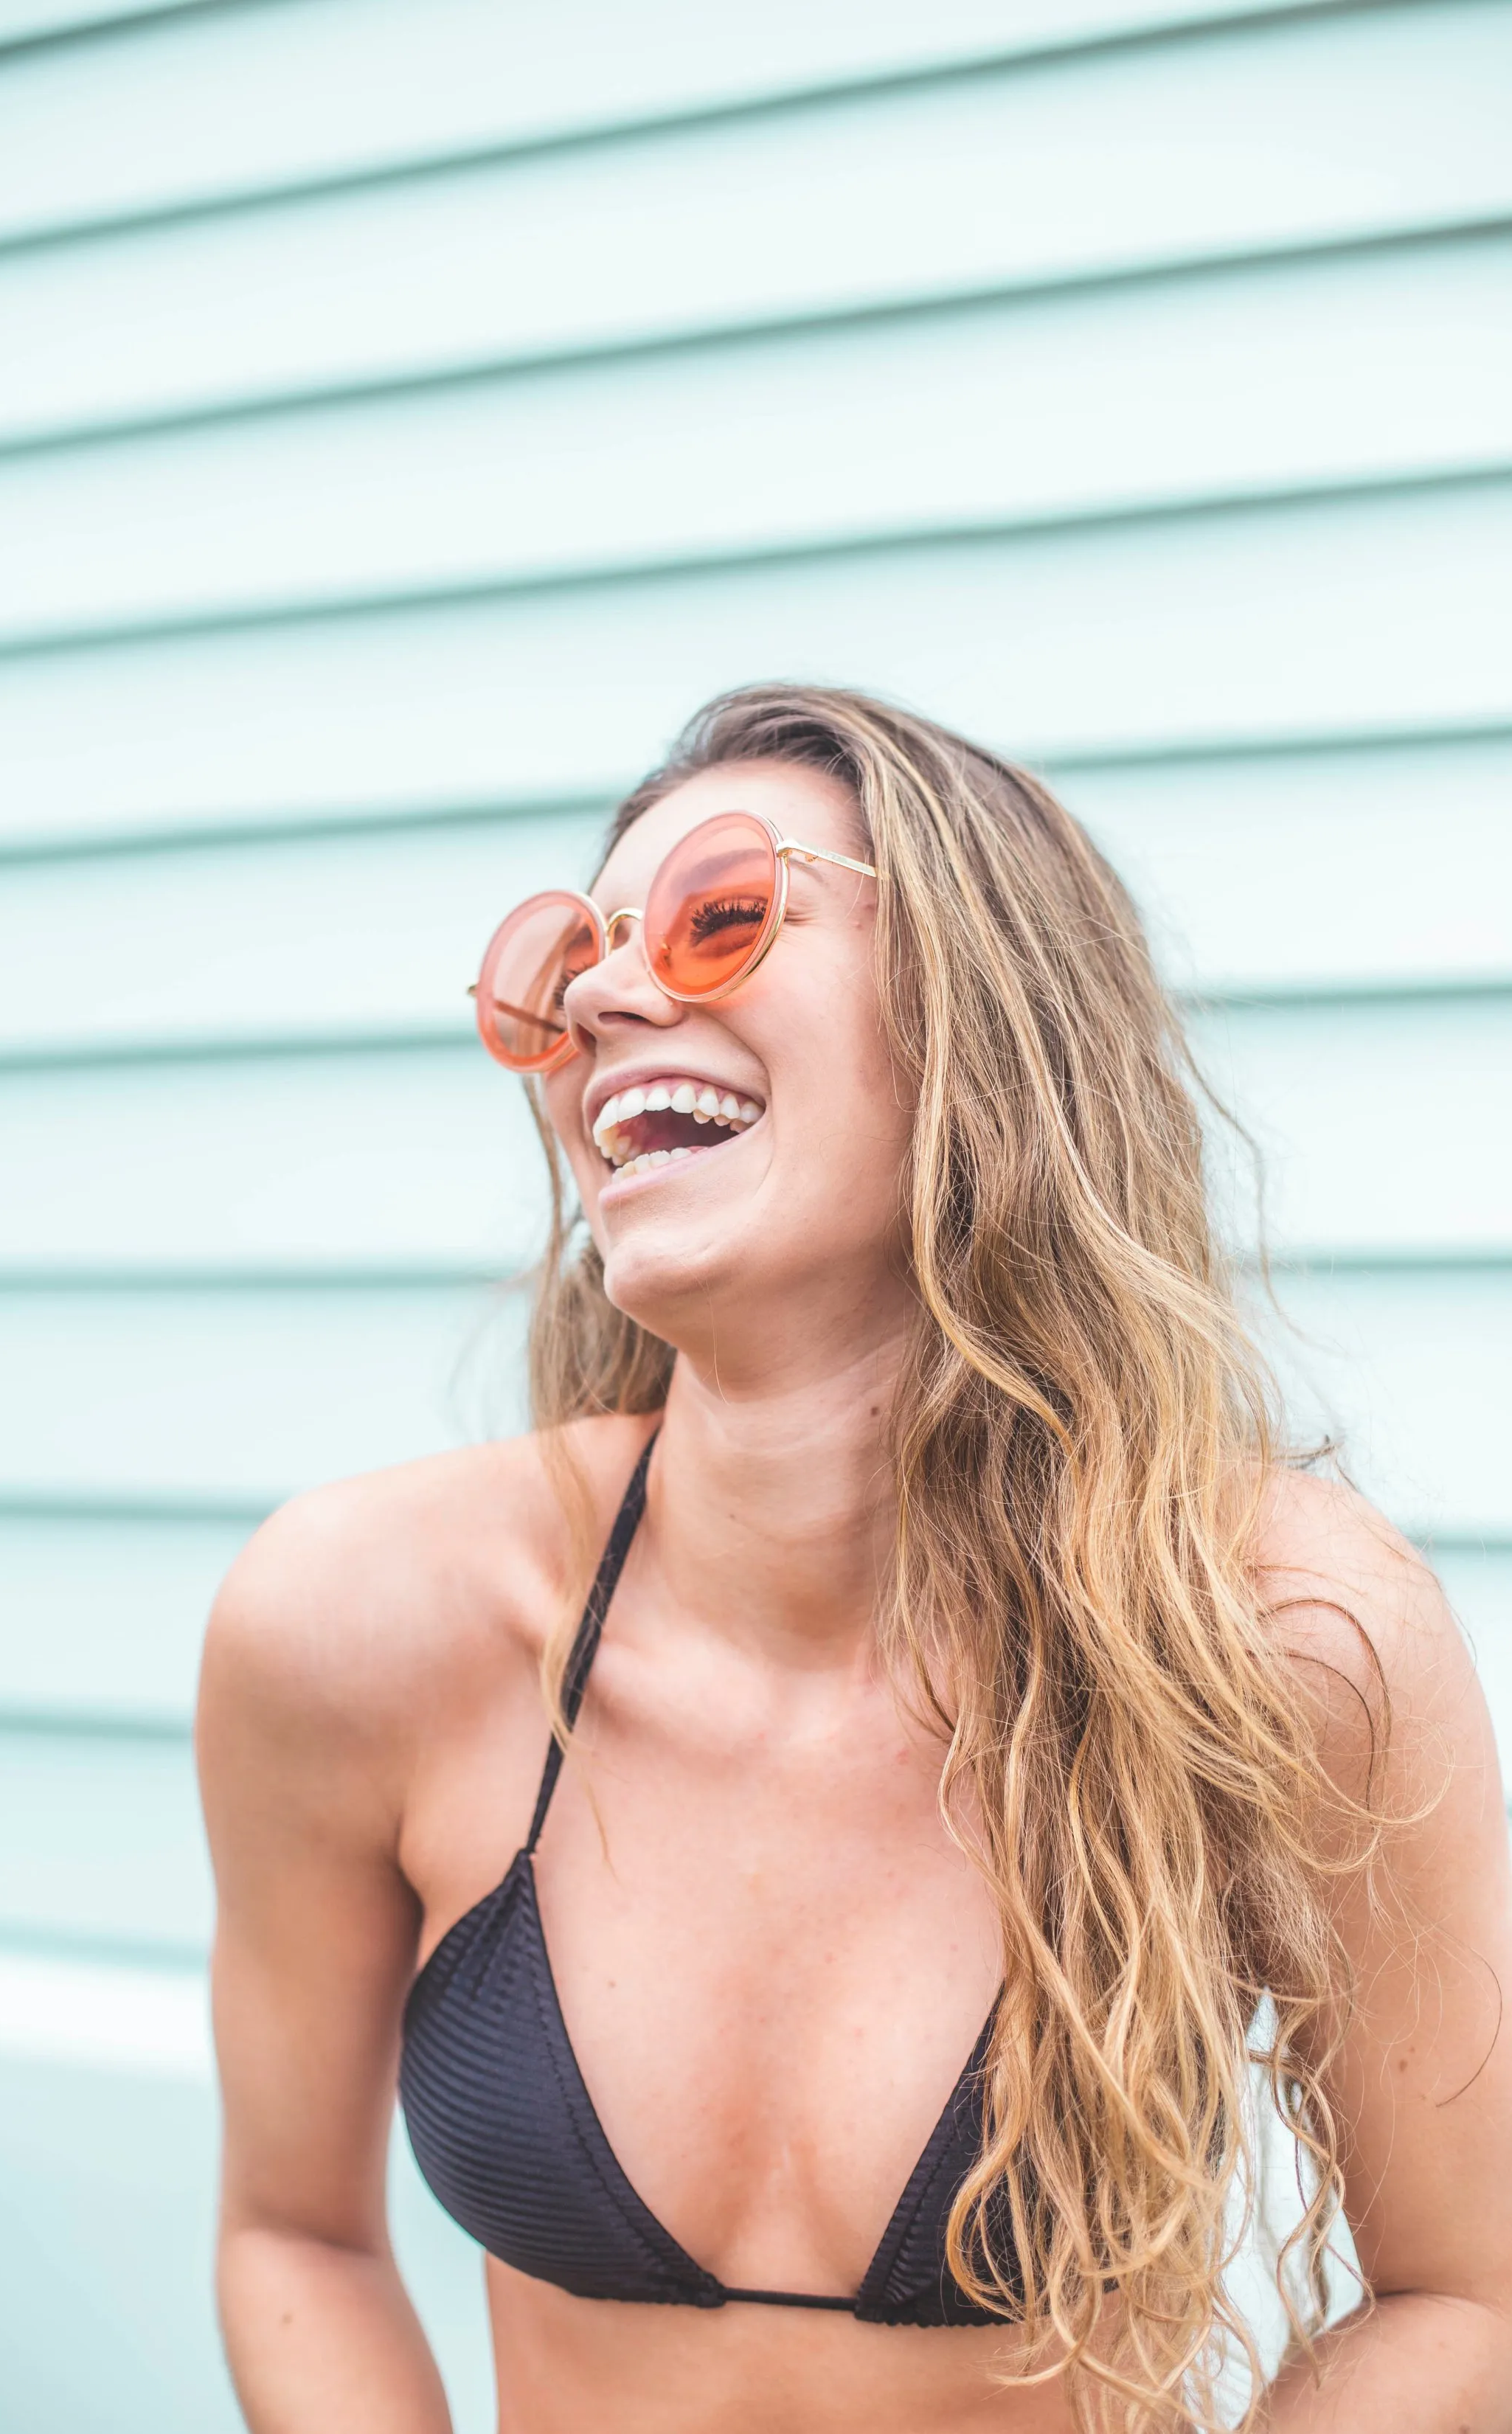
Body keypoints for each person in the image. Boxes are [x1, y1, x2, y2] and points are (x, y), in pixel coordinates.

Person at [198, 685, 1512, 2433]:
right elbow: (295, 2238)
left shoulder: (1280, 1632)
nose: (597, 996)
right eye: (559, 967)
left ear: (985, 1019)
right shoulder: (360, 1621)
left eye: (720, 916)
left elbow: (1462, 2293)